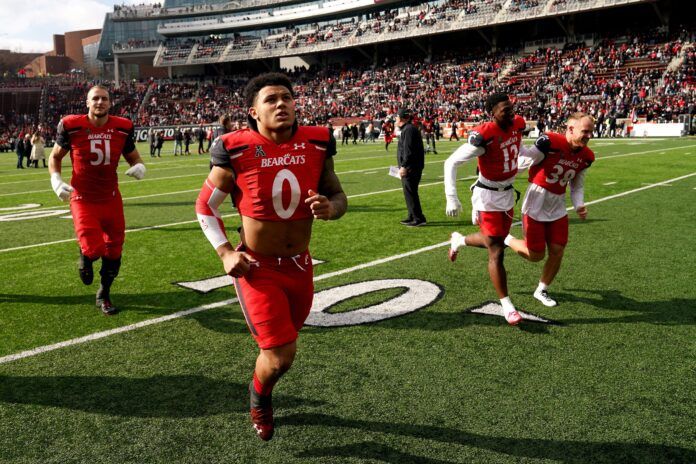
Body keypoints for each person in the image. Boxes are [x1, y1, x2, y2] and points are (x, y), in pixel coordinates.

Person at [195, 72, 347, 441]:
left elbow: (339, 197)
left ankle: (265, 385)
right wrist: (225, 252)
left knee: (285, 349)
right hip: (256, 268)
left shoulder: (318, 142)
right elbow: (205, 206)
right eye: (271, 99)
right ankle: (259, 399)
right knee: (280, 355)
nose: (282, 104)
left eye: (287, 97)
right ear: (254, 112)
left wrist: (332, 207)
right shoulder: (235, 147)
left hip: (300, 266)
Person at [48, 84, 146, 315]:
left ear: (110, 103)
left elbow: (134, 157)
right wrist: (55, 180)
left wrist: (140, 166)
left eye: (104, 98)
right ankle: (86, 255)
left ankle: (104, 294)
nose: (100, 102)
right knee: (94, 248)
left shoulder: (122, 127)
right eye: (95, 99)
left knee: (114, 251)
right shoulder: (72, 125)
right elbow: (55, 156)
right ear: (88, 103)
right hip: (82, 197)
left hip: (111, 197)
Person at [444, 93, 526, 326]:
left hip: (508, 193)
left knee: (494, 240)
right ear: (492, 113)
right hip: (488, 195)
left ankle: (459, 240)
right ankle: (507, 305)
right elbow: (451, 162)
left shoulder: (518, 123)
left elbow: (519, 146)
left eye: (510, 108)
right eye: (504, 110)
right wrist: (452, 197)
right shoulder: (484, 135)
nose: (510, 113)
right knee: (497, 250)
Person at [505, 113, 595, 307]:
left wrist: (579, 204)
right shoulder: (551, 142)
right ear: (571, 129)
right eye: (585, 131)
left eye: (590, 132)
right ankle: (507, 239)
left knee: (557, 250)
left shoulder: (586, 156)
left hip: (558, 207)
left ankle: (542, 289)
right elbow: (525, 161)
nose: (589, 136)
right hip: (536, 202)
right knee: (535, 255)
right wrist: (500, 181)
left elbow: (577, 185)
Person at [396, 108, 426, 227]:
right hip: (411, 166)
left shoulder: (408, 130)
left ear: (402, 118)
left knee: (411, 192)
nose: (396, 119)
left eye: (397, 117)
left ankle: (418, 218)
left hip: (411, 167)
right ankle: (412, 215)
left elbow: (408, 151)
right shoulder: (408, 129)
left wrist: (404, 166)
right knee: (409, 192)